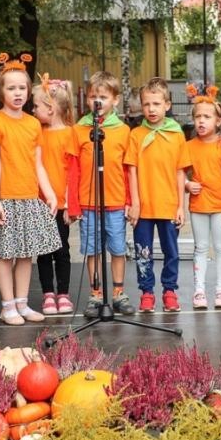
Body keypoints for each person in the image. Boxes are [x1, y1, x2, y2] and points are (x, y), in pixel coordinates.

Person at [0, 56, 60, 325]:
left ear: (29, 91)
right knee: (6, 254)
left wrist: (48, 192)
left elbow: (37, 163)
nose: (17, 93)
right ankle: (7, 306)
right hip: (6, 197)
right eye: (11, 88)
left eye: (22, 88)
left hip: (28, 197)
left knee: (26, 253)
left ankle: (22, 303)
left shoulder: (32, 123)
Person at [67, 71, 134, 318]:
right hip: (88, 203)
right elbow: (73, 169)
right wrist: (73, 204)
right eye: (94, 96)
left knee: (117, 248)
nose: (98, 101)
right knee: (92, 250)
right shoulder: (79, 129)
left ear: (115, 100)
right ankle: (96, 294)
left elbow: (128, 170)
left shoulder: (123, 130)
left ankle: (118, 292)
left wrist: (129, 201)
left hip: (115, 202)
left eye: (103, 97)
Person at [126, 77, 187, 313]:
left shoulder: (177, 134)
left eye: (156, 104)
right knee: (143, 251)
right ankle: (147, 292)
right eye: (146, 104)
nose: (151, 109)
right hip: (144, 206)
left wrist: (181, 206)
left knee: (171, 251)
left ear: (167, 105)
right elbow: (132, 170)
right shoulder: (136, 135)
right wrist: (135, 203)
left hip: (170, 204)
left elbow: (181, 172)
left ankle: (170, 290)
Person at [180, 84, 221, 309]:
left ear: (218, 121)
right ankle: (199, 291)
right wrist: (187, 184)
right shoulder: (189, 146)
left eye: (207, 117)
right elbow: (180, 172)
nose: (201, 121)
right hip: (199, 205)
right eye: (198, 117)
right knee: (200, 247)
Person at [32, 76, 76, 316]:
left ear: (51, 108)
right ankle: (48, 293)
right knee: (44, 251)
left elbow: (72, 171)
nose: (33, 110)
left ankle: (64, 293)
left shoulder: (70, 133)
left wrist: (69, 203)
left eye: (36, 106)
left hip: (60, 204)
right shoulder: (37, 132)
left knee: (61, 250)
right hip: (39, 203)